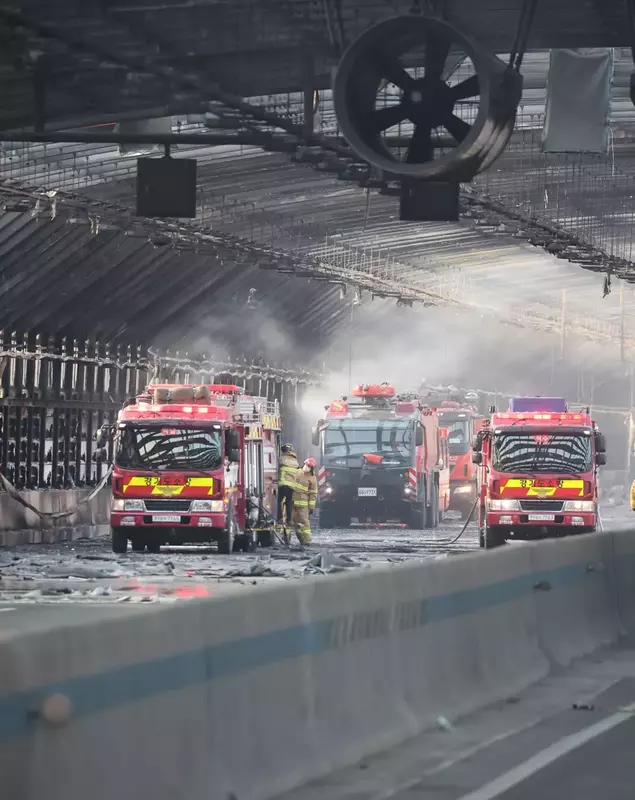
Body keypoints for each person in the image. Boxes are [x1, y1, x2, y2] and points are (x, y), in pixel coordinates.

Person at [291, 457, 317, 546]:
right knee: (288, 521)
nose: (307, 467)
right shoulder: (296, 472)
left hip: (303, 505)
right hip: (292, 502)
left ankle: (307, 541)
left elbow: (313, 494)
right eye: (307, 465)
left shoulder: (312, 478)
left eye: (309, 466)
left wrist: (311, 507)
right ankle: (286, 540)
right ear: (304, 463)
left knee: (304, 522)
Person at [278, 443, 299, 525]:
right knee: (289, 502)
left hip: (282, 483)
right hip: (291, 485)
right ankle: (289, 520)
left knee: (279, 501)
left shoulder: (281, 458)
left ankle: (279, 518)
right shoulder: (295, 461)